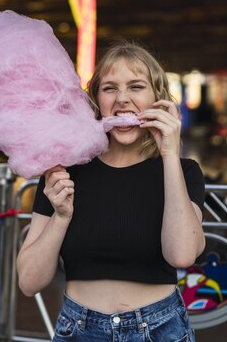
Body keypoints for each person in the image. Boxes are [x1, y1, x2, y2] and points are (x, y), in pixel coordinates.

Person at [16, 40, 206, 342]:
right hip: (80, 329)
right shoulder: (63, 172)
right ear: (95, 101)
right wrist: (61, 216)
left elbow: (181, 255)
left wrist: (170, 153)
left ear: (157, 97)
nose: (122, 100)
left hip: (160, 329)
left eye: (136, 87)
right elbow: (28, 282)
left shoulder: (183, 171)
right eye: (109, 89)